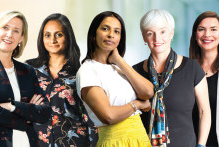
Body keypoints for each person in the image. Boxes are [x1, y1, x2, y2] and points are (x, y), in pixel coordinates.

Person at [133, 9, 211, 147]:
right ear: (144, 37)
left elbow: (204, 112)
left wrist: (201, 145)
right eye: (150, 33)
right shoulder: (135, 72)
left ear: (171, 33)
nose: (157, 39)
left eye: (163, 31)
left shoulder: (192, 68)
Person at [76, 11, 154, 147]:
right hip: (115, 141)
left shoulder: (119, 68)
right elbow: (108, 116)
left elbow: (148, 92)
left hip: (140, 139)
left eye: (117, 31)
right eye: (105, 29)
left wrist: (118, 60)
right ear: (94, 35)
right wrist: (138, 104)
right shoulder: (87, 71)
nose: (111, 34)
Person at [26, 13, 98, 147]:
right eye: (47, 35)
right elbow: (15, 109)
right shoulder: (29, 69)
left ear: (68, 37)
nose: (52, 40)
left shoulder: (80, 72)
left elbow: (91, 117)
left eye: (58, 35)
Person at [0, 10, 51, 147]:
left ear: (21, 37)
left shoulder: (27, 71)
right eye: (5, 27)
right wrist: (26, 115)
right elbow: (34, 113)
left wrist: (11, 106)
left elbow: (45, 112)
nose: (9, 35)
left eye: (16, 31)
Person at [190, 11, 219, 147]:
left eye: (213, 29)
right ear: (195, 35)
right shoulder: (186, 70)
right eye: (201, 29)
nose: (207, 34)